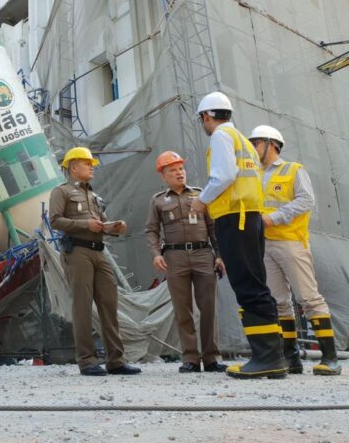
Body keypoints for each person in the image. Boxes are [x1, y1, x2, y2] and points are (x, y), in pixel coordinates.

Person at [189, 91, 287, 379]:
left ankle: (268, 358)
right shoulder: (243, 140)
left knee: (247, 286)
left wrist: (202, 200)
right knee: (256, 283)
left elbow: (223, 176)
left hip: (235, 218)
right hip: (250, 217)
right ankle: (273, 357)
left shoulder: (220, 137)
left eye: (203, 119)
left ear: (206, 116)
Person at [248, 125, 341, 376]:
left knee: (308, 298)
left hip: (290, 241)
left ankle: (330, 358)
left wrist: (274, 217)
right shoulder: (254, 175)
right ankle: (291, 359)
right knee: (278, 303)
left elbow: (306, 200)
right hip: (265, 245)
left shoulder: (293, 170)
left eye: (256, 143)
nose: (252, 148)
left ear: (272, 144)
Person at [49, 147, 141, 376]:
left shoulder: (93, 196)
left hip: (99, 252)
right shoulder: (61, 192)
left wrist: (115, 228)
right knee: (82, 305)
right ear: (73, 167)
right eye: (87, 163)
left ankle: (116, 360)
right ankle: (87, 360)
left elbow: (102, 222)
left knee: (109, 304)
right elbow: (55, 220)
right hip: (77, 252)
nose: (91, 167)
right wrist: (84, 226)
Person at [145, 151, 227, 373]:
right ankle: (190, 358)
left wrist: (219, 255)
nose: (179, 173)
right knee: (183, 309)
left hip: (203, 255)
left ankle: (211, 357)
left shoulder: (201, 196)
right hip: (175, 257)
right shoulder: (158, 200)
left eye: (181, 169)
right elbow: (152, 230)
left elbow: (213, 228)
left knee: (208, 307)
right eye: (173, 170)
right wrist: (156, 254)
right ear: (164, 176)